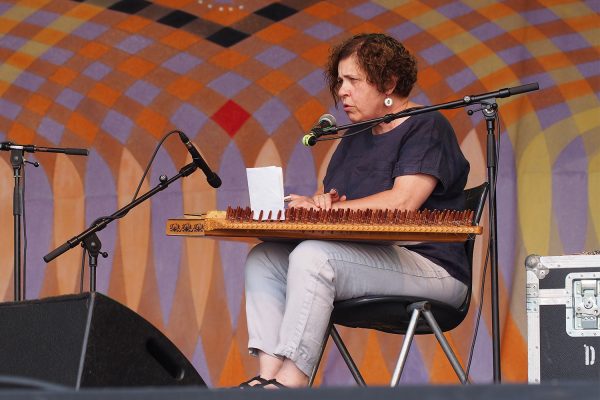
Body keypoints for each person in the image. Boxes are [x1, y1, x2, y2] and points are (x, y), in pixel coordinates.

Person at [240, 33, 470, 389]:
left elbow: (402, 203)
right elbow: (334, 200)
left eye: (353, 81)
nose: (341, 91)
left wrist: (331, 211)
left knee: (315, 256)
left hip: (430, 269)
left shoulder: (427, 126)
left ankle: (290, 384)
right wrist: (316, 203)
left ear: (389, 82)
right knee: (265, 258)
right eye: (339, 81)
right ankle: (268, 378)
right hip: (369, 260)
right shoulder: (355, 135)